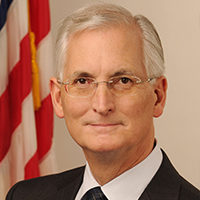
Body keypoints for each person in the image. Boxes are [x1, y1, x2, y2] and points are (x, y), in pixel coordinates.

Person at [6, 3, 200, 200]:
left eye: (123, 81)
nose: (102, 105)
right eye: (82, 81)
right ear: (58, 98)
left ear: (158, 96)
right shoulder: (23, 196)